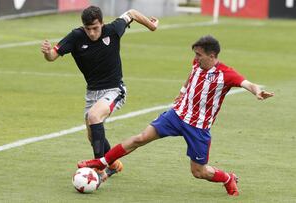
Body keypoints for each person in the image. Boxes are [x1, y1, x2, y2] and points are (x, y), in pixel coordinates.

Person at [78, 35, 274, 196]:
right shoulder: (197, 64)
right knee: (141, 138)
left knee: (199, 172)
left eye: (199, 55)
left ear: (212, 55)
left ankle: (227, 178)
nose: (196, 58)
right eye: (195, 55)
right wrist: (182, 91)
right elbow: (191, 77)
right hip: (176, 115)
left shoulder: (226, 74)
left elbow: (248, 84)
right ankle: (101, 162)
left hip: (198, 127)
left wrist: (257, 91)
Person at [41, 6, 159, 181]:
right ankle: (113, 164)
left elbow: (131, 13)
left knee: (94, 117)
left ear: (102, 24)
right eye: (88, 29)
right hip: (92, 93)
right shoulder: (76, 36)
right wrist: (47, 52)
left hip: (114, 89)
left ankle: (99, 169)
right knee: (92, 134)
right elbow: (52, 56)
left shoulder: (113, 29)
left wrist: (152, 26)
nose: (92, 33)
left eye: (95, 28)